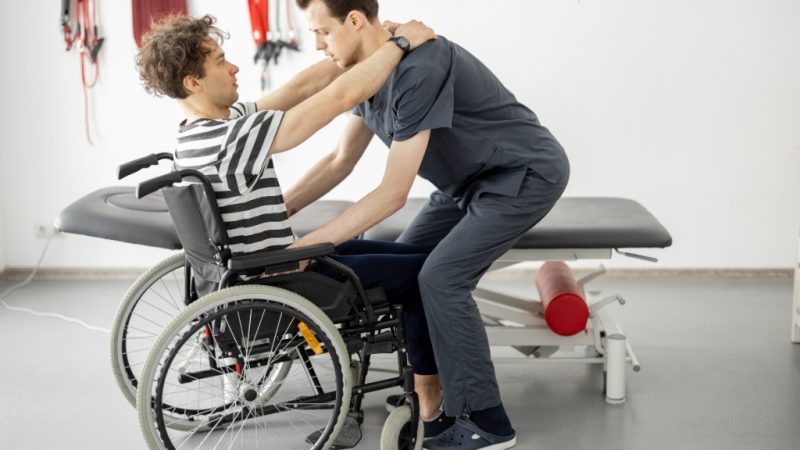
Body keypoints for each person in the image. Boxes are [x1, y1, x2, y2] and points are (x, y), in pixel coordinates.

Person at [135, 13, 447, 445]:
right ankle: (429, 397)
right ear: (193, 82)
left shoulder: (197, 134)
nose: (235, 67)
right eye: (222, 61)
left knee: (409, 256)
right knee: (426, 276)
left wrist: (359, 46)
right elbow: (339, 97)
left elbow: (301, 87)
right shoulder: (232, 139)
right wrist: (400, 45)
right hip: (287, 276)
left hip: (263, 266)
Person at [285, 1, 571, 449]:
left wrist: (311, 245)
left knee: (440, 277)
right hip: (462, 185)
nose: (318, 45)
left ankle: (488, 421)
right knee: (405, 277)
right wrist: (280, 210)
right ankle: (427, 399)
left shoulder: (420, 68)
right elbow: (339, 161)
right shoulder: (369, 71)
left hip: (521, 174)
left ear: (355, 21)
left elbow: (392, 193)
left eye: (323, 32)